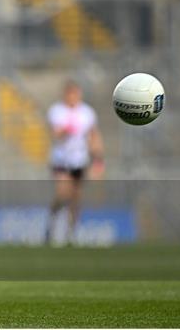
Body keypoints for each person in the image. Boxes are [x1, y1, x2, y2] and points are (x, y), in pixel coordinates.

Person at [45, 81, 104, 245]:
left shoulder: (87, 113)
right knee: (63, 193)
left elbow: (94, 136)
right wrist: (66, 128)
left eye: (76, 94)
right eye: (70, 94)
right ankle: (52, 222)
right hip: (61, 159)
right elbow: (55, 134)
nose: (73, 97)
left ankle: (71, 233)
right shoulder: (57, 111)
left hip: (79, 160)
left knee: (76, 198)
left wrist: (98, 160)